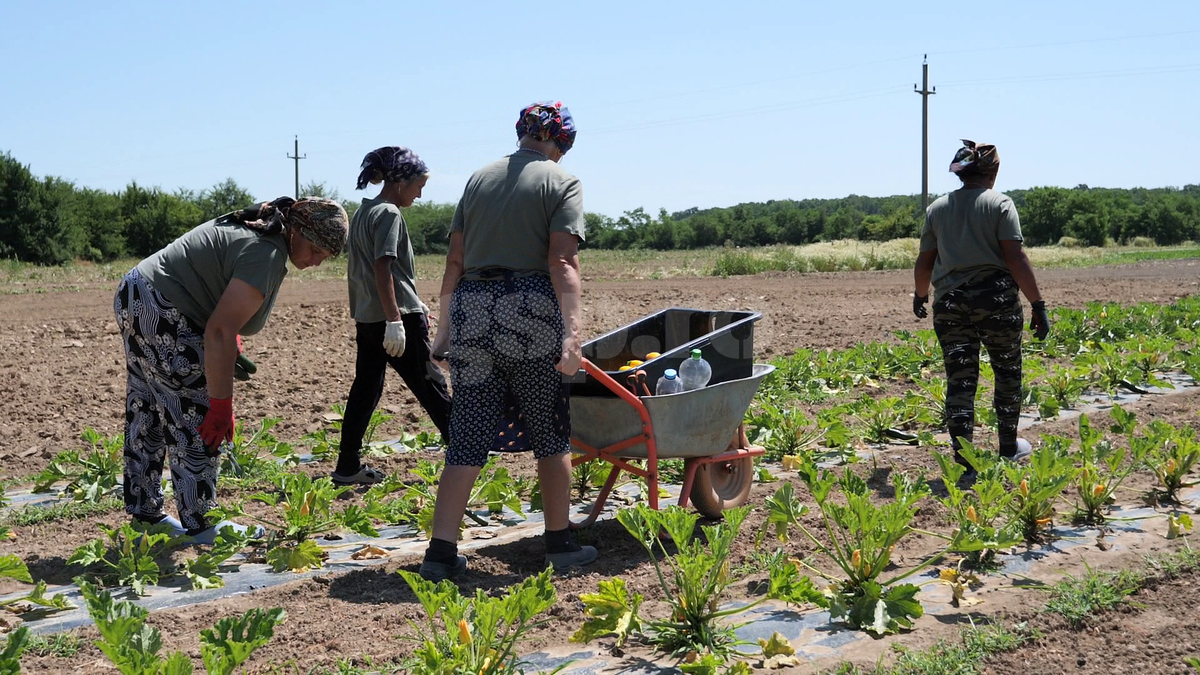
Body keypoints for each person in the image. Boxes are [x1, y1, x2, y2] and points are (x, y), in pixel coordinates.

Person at [419, 101, 597, 581]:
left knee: (468, 433)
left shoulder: (478, 179)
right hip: (530, 308)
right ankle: (560, 544)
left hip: (474, 306)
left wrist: (443, 330)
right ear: (562, 140)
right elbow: (562, 262)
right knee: (549, 428)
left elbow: (454, 260)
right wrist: (572, 335)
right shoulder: (562, 182)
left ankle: (439, 554)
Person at [115, 197, 349, 543]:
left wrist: (229, 338)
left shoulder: (261, 231)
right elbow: (220, 332)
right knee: (195, 414)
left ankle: (145, 513)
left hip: (136, 294)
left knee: (147, 407)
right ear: (297, 230)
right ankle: (203, 523)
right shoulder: (266, 252)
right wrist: (221, 404)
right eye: (314, 250)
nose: (315, 262)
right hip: (165, 310)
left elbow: (218, 294)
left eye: (323, 258)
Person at [912, 140, 1051, 474]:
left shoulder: (937, 209)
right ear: (993, 170)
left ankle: (964, 460)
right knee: (1007, 373)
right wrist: (1038, 304)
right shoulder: (1000, 205)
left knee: (960, 381)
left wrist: (920, 295)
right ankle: (1007, 448)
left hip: (950, 304)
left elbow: (925, 261)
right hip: (996, 303)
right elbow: (1015, 257)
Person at [332, 146, 452, 485]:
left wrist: (412, 301)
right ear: (400, 183)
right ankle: (464, 455)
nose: (420, 194)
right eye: (418, 187)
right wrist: (398, 319)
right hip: (393, 319)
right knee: (431, 384)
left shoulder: (363, 211)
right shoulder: (389, 214)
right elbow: (382, 266)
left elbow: (379, 272)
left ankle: (347, 466)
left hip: (369, 320)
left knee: (365, 390)